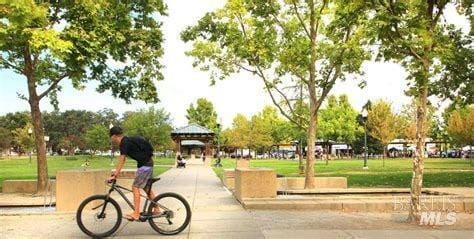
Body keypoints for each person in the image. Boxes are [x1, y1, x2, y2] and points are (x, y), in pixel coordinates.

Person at [108, 126, 159, 221]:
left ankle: (136, 213)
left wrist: (115, 174)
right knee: (146, 188)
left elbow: (122, 159)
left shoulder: (124, 142)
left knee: (135, 187)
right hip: (146, 164)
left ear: (114, 136)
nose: (112, 140)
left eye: (111, 137)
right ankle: (156, 209)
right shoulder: (127, 140)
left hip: (145, 165)